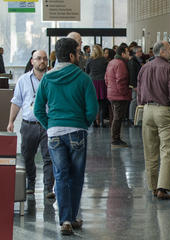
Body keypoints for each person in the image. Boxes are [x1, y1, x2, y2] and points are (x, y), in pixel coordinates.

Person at [33, 38, 98, 235]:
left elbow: (38, 110)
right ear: (71, 55)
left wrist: (49, 125)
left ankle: (65, 221)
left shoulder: (47, 78)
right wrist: (82, 125)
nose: (79, 56)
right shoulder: (83, 78)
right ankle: (74, 216)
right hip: (76, 131)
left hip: (53, 133)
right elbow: (92, 110)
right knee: (76, 176)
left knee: (60, 175)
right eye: (78, 53)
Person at [137, 41, 170, 200]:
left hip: (147, 110)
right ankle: (162, 188)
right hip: (165, 111)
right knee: (168, 151)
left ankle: (152, 186)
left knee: (150, 152)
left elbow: (139, 90)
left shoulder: (144, 68)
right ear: (162, 52)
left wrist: (142, 105)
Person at [7, 50, 55, 198]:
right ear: (32, 61)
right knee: (28, 156)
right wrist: (11, 121)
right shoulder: (23, 80)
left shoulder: (52, 79)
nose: (42, 61)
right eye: (38, 58)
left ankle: (48, 188)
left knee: (49, 157)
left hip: (47, 124)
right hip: (29, 124)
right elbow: (16, 102)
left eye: (44, 59)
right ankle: (30, 184)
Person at [105, 44, 131, 147]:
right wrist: (123, 92)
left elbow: (106, 78)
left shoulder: (111, 62)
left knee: (116, 117)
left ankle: (115, 138)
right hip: (119, 95)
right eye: (127, 52)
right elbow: (121, 80)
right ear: (123, 53)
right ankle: (115, 140)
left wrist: (111, 88)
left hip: (112, 93)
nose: (129, 54)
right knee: (117, 118)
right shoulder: (121, 64)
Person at [85, 45, 109, 127]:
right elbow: (107, 71)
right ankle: (102, 122)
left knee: (94, 103)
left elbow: (87, 71)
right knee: (102, 104)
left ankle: (95, 122)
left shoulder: (89, 60)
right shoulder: (104, 60)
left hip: (93, 83)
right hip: (102, 83)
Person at [128, 46, 143, 126]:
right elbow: (132, 74)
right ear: (136, 52)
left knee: (135, 101)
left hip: (137, 84)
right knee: (134, 101)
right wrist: (134, 85)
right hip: (135, 85)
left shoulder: (136, 61)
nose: (141, 52)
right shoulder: (133, 61)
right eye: (140, 51)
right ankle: (132, 118)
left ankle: (135, 117)